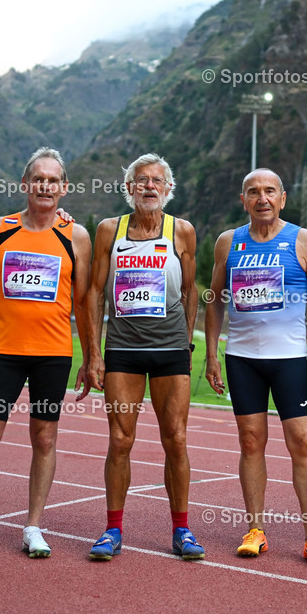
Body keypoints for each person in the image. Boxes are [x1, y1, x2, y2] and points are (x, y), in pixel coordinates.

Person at [0, 148, 91, 562]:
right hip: (4, 353)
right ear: (25, 185)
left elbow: (84, 303)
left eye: (53, 180)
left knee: (44, 438)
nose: (45, 186)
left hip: (53, 355)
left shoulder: (76, 236)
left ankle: (33, 527)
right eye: (38, 179)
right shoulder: (0, 229)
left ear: (63, 188)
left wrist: (91, 357)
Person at [204, 168, 307, 567]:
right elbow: (215, 300)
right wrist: (212, 353)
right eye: (253, 192)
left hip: (289, 359)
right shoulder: (228, 241)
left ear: (282, 198)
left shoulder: (302, 240)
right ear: (243, 199)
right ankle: (255, 529)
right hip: (242, 359)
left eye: (269, 191)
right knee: (250, 441)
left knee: (305, 443)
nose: (262, 198)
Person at [84, 153, 203, 561]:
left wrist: (186, 343)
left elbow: (191, 293)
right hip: (123, 352)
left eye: (156, 181)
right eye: (141, 181)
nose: (148, 186)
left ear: (168, 189)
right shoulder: (108, 231)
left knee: (177, 439)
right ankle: (112, 530)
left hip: (170, 350)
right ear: (129, 187)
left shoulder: (182, 231)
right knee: (120, 440)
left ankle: (182, 530)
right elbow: (94, 294)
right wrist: (93, 354)